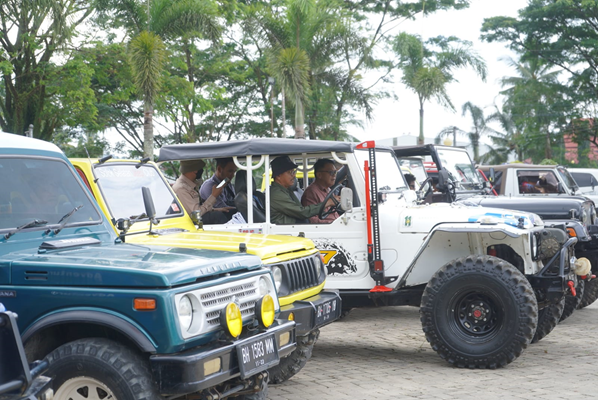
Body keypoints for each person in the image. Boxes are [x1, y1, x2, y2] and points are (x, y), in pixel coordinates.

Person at [269, 156, 337, 225]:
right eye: (290, 172)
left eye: (294, 171)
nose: (294, 175)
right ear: (278, 176)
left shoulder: (287, 190)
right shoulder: (277, 194)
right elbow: (302, 212)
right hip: (284, 232)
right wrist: (326, 204)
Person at [172, 159, 228, 224]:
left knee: (226, 212)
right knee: (217, 216)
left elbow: (199, 207)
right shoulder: (181, 188)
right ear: (195, 170)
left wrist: (217, 209)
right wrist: (213, 196)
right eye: (200, 168)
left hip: (196, 219)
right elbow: (196, 213)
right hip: (190, 224)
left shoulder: (191, 185)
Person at [301, 158, 341, 223]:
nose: (334, 175)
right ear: (319, 175)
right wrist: (333, 223)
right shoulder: (311, 192)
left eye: (335, 172)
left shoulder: (328, 189)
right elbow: (312, 220)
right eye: (331, 172)